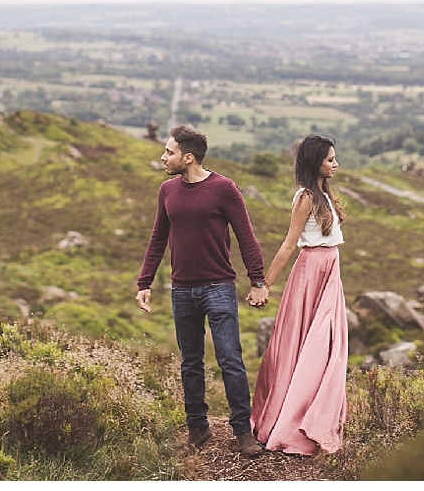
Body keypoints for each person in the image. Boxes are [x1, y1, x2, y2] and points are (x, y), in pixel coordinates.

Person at [136, 125, 269, 458]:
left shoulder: (224, 188)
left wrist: (258, 280)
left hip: (218, 287)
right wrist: (144, 283)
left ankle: (243, 432)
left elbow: (246, 236)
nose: (163, 157)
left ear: (188, 157)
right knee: (190, 363)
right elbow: (157, 239)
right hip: (181, 291)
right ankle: (198, 429)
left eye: (169, 152)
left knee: (230, 360)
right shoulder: (167, 191)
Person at [250, 134, 348, 456]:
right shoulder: (306, 197)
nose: (335, 164)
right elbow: (289, 244)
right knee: (308, 346)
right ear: (315, 162)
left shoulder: (324, 194)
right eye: (330, 159)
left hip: (328, 274)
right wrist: (265, 283)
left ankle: (314, 416)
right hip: (310, 275)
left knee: (327, 346)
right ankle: (291, 420)